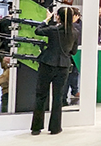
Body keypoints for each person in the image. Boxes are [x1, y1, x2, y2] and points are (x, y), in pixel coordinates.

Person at [31, 7, 80, 136]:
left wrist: (46, 19)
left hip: (47, 64)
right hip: (63, 66)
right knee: (58, 98)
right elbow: (73, 51)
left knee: (41, 95)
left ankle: (36, 128)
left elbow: (38, 30)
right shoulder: (75, 32)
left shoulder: (53, 30)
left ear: (58, 17)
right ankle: (55, 128)